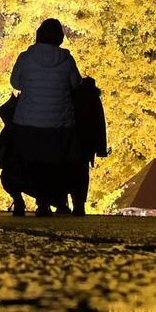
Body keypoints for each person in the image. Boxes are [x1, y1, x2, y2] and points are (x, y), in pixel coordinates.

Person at [8, 18, 81, 215]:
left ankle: (31, 200)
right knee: (53, 165)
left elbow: (15, 82)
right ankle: (47, 202)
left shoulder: (25, 58)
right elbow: (75, 83)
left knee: (29, 162)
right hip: (59, 122)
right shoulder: (67, 59)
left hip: (27, 121)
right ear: (59, 38)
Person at [69, 76, 108, 215]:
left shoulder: (70, 97)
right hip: (87, 142)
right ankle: (79, 203)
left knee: (68, 170)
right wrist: (100, 148)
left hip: (70, 139)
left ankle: (64, 202)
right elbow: (100, 124)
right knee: (82, 173)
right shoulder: (93, 99)